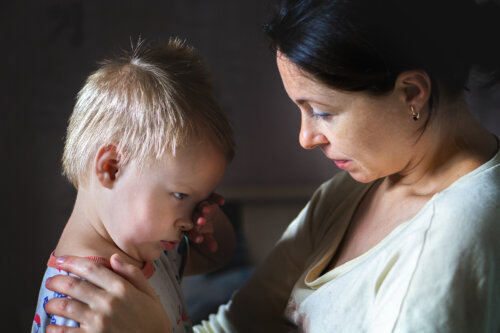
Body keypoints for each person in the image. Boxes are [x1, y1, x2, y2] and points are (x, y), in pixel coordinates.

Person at [43, 0, 500, 332]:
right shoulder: (357, 189)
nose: (305, 137)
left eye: (321, 110)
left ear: (411, 93)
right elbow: (237, 326)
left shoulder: (457, 237)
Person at [31, 38, 236, 333]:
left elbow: (219, 254)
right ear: (112, 168)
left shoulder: (149, 247)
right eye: (181, 195)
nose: (190, 218)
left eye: (201, 202)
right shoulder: (79, 302)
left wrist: (209, 223)